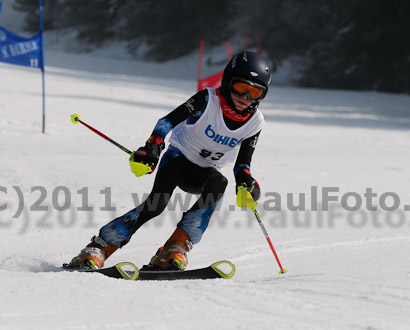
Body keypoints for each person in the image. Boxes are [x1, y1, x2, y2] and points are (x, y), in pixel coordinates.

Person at [66, 51, 272, 271]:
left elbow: (243, 163)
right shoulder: (207, 99)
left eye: (255, 93)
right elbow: (167, 121)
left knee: (219, 183)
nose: (245, 99)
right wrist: (153, 145)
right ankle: (99, 247)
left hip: (204, 173)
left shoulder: (255, 122)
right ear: (227, 81)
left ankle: (175, 247)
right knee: (156, 206)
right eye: (241, 88)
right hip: (177, 160)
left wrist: (246, 182)